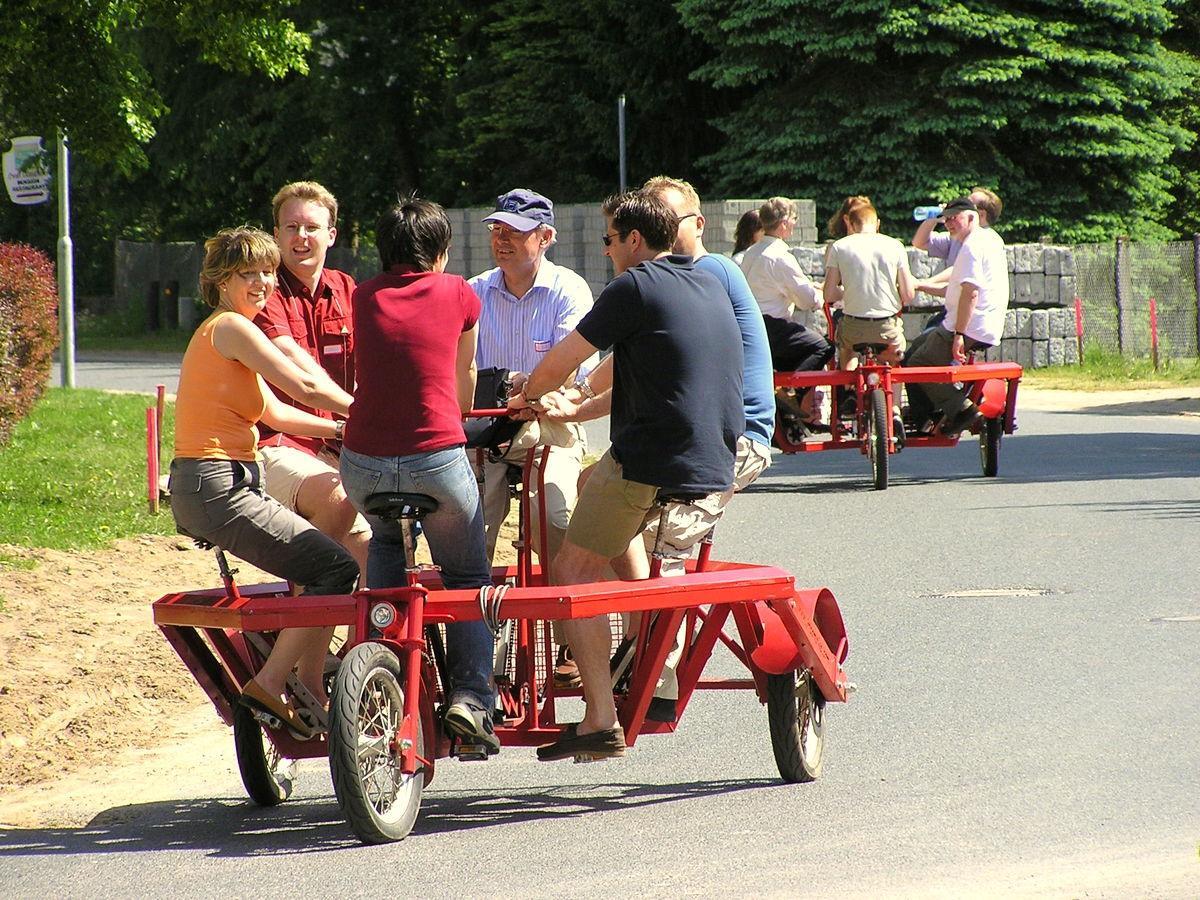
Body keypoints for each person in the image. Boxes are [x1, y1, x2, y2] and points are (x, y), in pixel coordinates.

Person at [513, 189, 743, 761]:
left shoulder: (634, 287)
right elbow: (643, 371)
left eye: (610, 240)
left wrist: (528, 394)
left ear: (635, 241)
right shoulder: (706, 281)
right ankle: (645, 648)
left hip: (651, 460)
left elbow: (566, 356)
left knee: (570, 567)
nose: (607, 250)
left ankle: (597, 718)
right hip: (714, 459)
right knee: (593, 486)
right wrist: (575, 404)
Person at [169, 227, 359, 739]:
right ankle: (276, 681)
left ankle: (304, 678)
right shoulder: (232, 327)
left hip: (215, 484)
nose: (261, 282)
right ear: (220, 280)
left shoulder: (229, 333)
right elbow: (301, 384)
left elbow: (279, 412)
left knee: (317, 563)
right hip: (217, 484)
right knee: (335, 569)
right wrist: (372, 412)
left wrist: (345, 427)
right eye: (246, 273)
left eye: (267, 272)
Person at [338, 197, 499, 754]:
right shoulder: (458, 292)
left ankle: (378, 677)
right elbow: (465, 374)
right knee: (466, 577)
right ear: (440, 250)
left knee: (384, 537)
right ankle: (471, 700)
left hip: (362, 462)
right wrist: (461, 422)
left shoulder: (362, 295)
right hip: (437, 457)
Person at [469, 188, 595, 690]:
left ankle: (571, 638)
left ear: (545, 238)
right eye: (497, 230)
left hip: (550, 422)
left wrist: (528, 387)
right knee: (467, 521)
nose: (502, 240)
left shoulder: (569, 289)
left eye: (515, 232)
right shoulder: (473, 290)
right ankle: (473, 647)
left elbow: (576, 367)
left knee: (554, 518)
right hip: (487, 424)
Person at [252, 181, 370, 578]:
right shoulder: (264, 291)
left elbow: (376, 364)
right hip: (278, 443)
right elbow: (297, 366)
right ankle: (301, 620)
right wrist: (360, 415)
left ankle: (367, 640)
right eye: (291, 227)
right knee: (338, 498)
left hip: (339, 445)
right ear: (276, 235)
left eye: (312, 227)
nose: (301, 237)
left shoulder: (347, 289)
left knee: (382, 555)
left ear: (331, 235)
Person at [903, 196, 1009, 434]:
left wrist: (959, 334)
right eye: (947, 219)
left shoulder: (971, 247)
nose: (950, 223)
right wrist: (921, 285)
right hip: (984, 322)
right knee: (918, 347)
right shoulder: (989, 239)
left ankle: (961, 410)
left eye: (955, 218)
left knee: (916, 363)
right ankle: (932, 409)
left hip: (969, 324)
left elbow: (970, 293)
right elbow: (957, 289)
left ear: (973, 216)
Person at [738, 196, 833, 431]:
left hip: (750, 325)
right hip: (772, 326)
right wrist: (822, 296)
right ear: (783, 224)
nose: (794, 224)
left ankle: (789, 414)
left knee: (795, 356)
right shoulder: (780, 256)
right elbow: (807, 299)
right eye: (793, 219)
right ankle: (790, 393)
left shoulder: (751, 252)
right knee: (823, 347)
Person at [824, 196, 915, 369]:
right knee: (894, 359)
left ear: (851, 224)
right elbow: (908, 295)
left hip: (853, 327)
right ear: (877, 223)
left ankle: (849, 389)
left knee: (847, 349)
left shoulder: (839, 246)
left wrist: (848, 292)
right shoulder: (895, 246)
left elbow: (828, 294)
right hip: (886, 327)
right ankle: (894, 396)